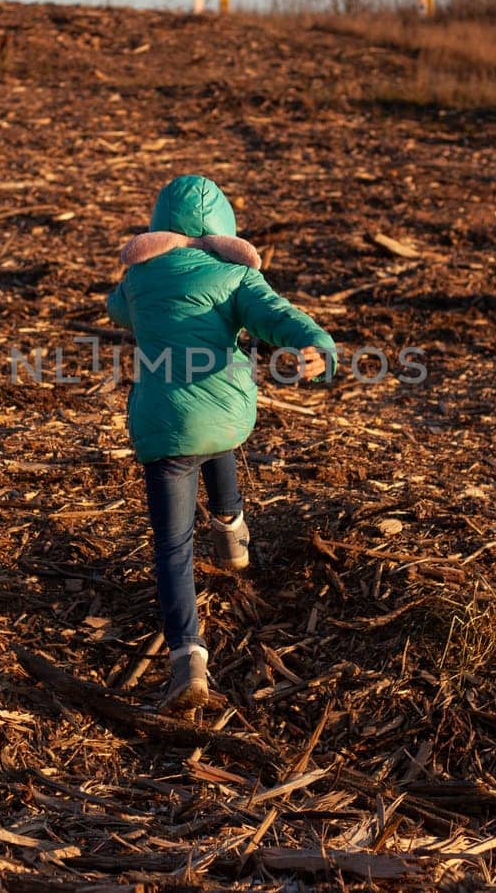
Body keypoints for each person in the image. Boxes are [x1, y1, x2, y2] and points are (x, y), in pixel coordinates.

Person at [106, 174, 336, 712]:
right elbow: (280, 318)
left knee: (172, 547)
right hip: (228, 412)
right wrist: (315, 345)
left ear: (161, 224)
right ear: (225, 226)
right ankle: (233, 533)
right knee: (217, 440)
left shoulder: (139, 278)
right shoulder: (237, 278)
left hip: (165, 424)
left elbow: (117, 310)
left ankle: (188, 656)